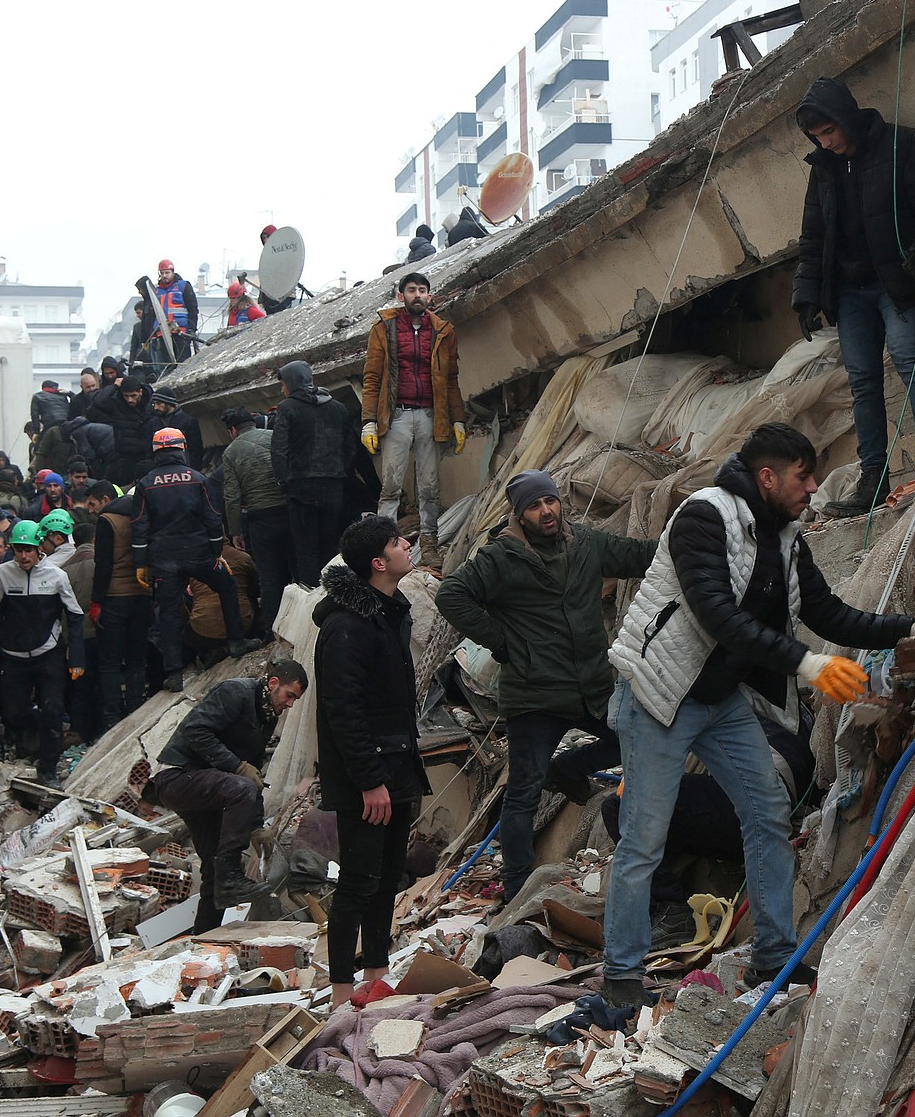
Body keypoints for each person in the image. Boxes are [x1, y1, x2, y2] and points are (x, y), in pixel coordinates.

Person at [600, 423, 915, 1008]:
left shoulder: (786, 539)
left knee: (767, 813)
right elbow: (716, 614)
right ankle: (622, 978)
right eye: (803, 476)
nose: (813, 487)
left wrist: (910, 630)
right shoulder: (701, 519)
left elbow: (830, 614)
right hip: (661, 695)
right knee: (643, 838)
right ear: (767, 477)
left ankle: (774, 959)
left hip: (719, 699)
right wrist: (809, 667)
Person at [435, 469, 657, 904]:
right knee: (523, 792)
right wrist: (502, 642)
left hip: (590, 686)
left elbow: (639, 555)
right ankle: (518, 885)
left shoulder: (587, 543)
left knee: (634, 737)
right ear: (520, 515)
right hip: (534, 694)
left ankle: (573, 766)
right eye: (534, 506)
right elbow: (451, 595)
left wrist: (692, 540)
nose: (546, 511)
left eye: (550, 501)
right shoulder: (501, 558)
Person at [792, 76, 915, 517]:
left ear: (845, 119)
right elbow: (813, 237)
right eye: (817, 137)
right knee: (862, 382)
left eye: (828, 132)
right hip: (849, 293)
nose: (825, 144)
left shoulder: (904, 146)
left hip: (898, 282)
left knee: (908, 358)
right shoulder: (823, 169)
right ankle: (873, 478)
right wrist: (806, 295)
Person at [313, 516, 430, 1008]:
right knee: (357, 882)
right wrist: (369, 780)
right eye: (397, 542)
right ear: (379, 564)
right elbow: (344, 710)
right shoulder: (346, 626)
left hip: (397, 764)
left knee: (387, 878)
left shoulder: (389, 611)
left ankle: (377, 975)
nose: (408, 545)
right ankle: (342, 990)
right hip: (368, 776)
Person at [152, 661, 308, 933]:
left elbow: (254, 775)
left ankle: (204, 943)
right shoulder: (236, 692)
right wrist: (236, 765)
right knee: (240, 789)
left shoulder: (267, 715)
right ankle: (231, 876)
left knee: (214, 871)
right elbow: (195, 731)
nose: (290, 704)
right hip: (177, 775)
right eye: (289, 695)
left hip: (209, 784)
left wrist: (257, 826)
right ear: (273, 683)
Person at [130, 427, 260, 692]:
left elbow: (139, 527)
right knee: (226, 586)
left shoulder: (145, 484)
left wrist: (141, 563)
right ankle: (236, 643)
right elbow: (212, 518)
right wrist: (215, 554)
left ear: (156, 452)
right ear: (182, 448)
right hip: (199, 554)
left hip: (164, 560)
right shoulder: (197, 478)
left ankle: (174, 675)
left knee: (167, 614)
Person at [360, 272, 466, 568]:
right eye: (411, 290)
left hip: (432, 416)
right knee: (391, 486)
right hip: (397, 416)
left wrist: (458, 419)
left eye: (422, 290)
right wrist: (369, 420)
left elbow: (451, 379)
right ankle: (383, 545)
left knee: (430, 486)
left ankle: (430, 545)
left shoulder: (443, 330)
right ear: (401, 296)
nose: (417, 295)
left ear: (430, 297)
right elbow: (371, 378)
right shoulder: (384, 328)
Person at [0, 519, 85, 785]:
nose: (23, 556)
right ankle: (33, 736)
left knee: (53, 708)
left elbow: (75, 615)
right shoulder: (4, 574)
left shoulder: (56, 575)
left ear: (39, 547)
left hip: (48, 652)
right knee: (13, 711)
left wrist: (76, 657)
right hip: (13, 655)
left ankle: (48, 769)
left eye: (28, 549)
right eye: (18, 550)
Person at [271, 361, 361, 588]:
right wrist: (341, 471)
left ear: (291, 382)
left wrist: (283, 480)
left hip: (301, 487)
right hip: (334, 487)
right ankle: (334, 592)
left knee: (305, 548)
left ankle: (311, 597)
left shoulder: (287, 408)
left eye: (283, 384)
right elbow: (351, 446)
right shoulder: (338, 408)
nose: (282, 389)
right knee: (331, 545)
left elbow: (278, 449)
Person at [221, 407, 294, 636]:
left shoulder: (231, 453)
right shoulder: (274, 437)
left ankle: (275, 628)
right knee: (298, 566)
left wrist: (235, 532)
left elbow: (231, 497)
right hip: (291, 511)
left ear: (233, 430)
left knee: (270, 576)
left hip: (261, 519)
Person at [87, 480, 152, 731]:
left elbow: (103, 565)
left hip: (114, 598)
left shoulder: (108, 520)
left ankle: (112, 718)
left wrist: (96, 602)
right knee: (137, 659)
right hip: (142, 595)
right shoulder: (144, 514)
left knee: (110, 663)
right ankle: (136, 711)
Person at [186, 538, 261, 664]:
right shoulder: (243, 558)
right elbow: (256, 586)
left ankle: (210, 652)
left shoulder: (191, 562)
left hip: (204, 632)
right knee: (247, 596)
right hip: (243, 625)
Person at [62, 523, 101, 744]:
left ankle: (80, 731)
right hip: (101, 631)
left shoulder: (64, 568)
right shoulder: (102, 562)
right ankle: (101, 730)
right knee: (102, 682)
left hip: (77, 639)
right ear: (95, 539)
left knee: (81, 687)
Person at [88, 374, 155, 487]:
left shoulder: (151, 404)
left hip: (146, 457)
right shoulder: (117, 404)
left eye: (133, 396)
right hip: (125, 458)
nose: (130, 400)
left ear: (140, 392)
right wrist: (114, 386)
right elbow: (98, 401)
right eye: (126, 396)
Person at [140, 260, 198, 364]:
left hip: (181, 332)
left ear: (172, 272)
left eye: (167, 272)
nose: (164, 275)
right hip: (163, 333)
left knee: (183, 363)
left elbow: (193, 309)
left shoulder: (183, 286)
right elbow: (152, 315)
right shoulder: (156, 292)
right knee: (168, 365)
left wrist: (192, 329)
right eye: (162, 273)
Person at [150, 388, 204, 468]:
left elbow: (196, 451)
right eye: (154, 404)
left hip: (184, 467)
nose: (156, 407)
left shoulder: (188, 422)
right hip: (160, 468)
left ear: (168, 403)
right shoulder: (152, 423)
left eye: (158, 403)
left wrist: (193, 470)